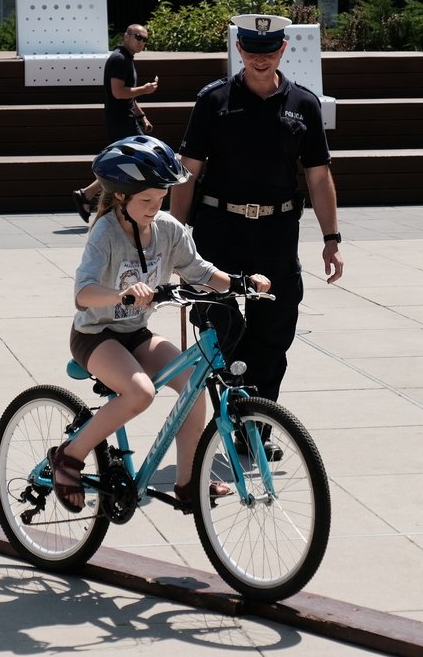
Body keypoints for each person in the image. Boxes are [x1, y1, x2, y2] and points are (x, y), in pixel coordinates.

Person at [52, 134, 271, 514]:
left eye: (161, 198)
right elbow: (83, 293)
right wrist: (120, 294)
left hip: (136, 332)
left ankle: (188, 482)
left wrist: (240, 283)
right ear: (120, 197)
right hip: (95, 335)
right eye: (146, 201)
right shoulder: (105, 233)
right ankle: (69, 457)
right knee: (140, 393)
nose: (155, 208)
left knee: (194, 385)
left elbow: (199, 271)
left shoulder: (168, 229)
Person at [169, 13, 344, 451]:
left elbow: (319, 176)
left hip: (276, 235)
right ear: (239, 49)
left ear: (283, 49)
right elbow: (188, 173)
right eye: (251, 50)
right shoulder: (213, 101)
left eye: (268, 50)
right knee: (221, 329)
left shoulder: (303, 104)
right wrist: (175, 239)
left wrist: (332, 239)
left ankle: (255, 432)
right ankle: (234, 423)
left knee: (273, 336)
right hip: (219, 231)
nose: (260, 59)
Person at [72, 24, 159, 223]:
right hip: (120, 121)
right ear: (126, 36)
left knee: (127, 162)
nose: (141, 42)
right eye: (138, 37)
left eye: (145, 39)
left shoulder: (126, 59)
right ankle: (93, 197)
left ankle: (87, 195)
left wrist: (142, 116)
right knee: (133, 161)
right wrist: (145, 90)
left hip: (126, 119)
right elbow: (118, 92)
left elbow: (128, 96)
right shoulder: (120, 59)